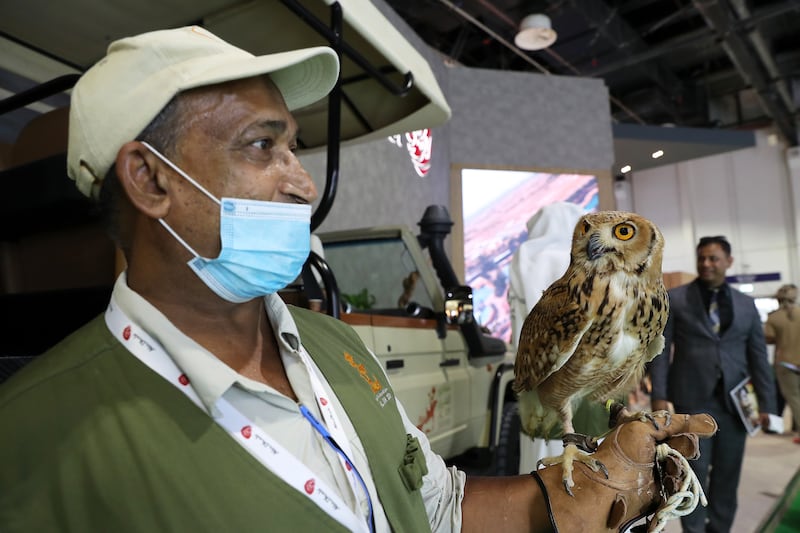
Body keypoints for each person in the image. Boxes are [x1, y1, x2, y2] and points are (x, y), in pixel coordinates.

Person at [0, 26, 717, 532]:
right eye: (262, 146)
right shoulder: (29, 442)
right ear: (150, 179)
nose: (299, 181)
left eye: (293, 144)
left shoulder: (331, 344)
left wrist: (599, 486)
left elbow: (432, 508)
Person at [649, 235, 776, 533]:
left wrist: (769, 405)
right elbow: (661, 349)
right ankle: (694, 530)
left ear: (728, 262)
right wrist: (659, 394)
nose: (706, 264)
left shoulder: (746, 305)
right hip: (691, 402)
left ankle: (720, 529)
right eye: (702, 258)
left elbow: (758, 356)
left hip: (734, 407)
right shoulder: (676, 298)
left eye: (713, 258)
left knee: (727, 476)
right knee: (691, 474)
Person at [507, 201, 612, 473]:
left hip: (541, 378)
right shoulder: (598, 258)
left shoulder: (527, 256)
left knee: (543, 463)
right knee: (595, 459)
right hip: (594, 378)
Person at [764, 283, 800, 444]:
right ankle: (795, 426)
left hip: (785, 362)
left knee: (793, 398)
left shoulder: (774, 317)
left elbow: (768, 338)